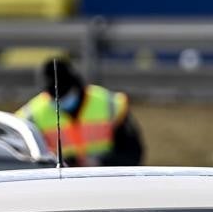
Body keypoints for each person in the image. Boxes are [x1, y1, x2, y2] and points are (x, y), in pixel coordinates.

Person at [16, 58, 145, 167]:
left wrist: (100, 162)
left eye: (64, 93)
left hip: (106, 180)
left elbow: (133, 155)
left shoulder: (110, 105)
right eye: (54, 96)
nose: (60, 99)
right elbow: (22, 161)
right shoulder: (29, 117)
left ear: (75, 84)